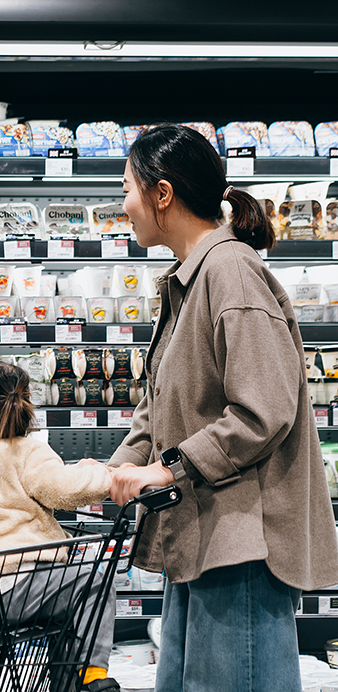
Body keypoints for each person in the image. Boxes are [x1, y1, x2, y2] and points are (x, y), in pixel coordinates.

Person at [106, 123, 338, 692]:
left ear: (163, 195)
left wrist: (168, 467)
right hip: (200, 537)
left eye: (129, 188)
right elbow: (158, 410)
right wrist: (102, 473)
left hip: (241, 549)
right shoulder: (190, 280)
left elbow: (264, 411)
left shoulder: (230, 272)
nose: (123, 204)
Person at [0, 360, 118, 692]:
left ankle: (68, 684)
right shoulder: (27, 451)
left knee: (68, 612)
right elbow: (63, 489)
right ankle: (92, 676)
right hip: (14, 587)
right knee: (94, 582)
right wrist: (109, 475)